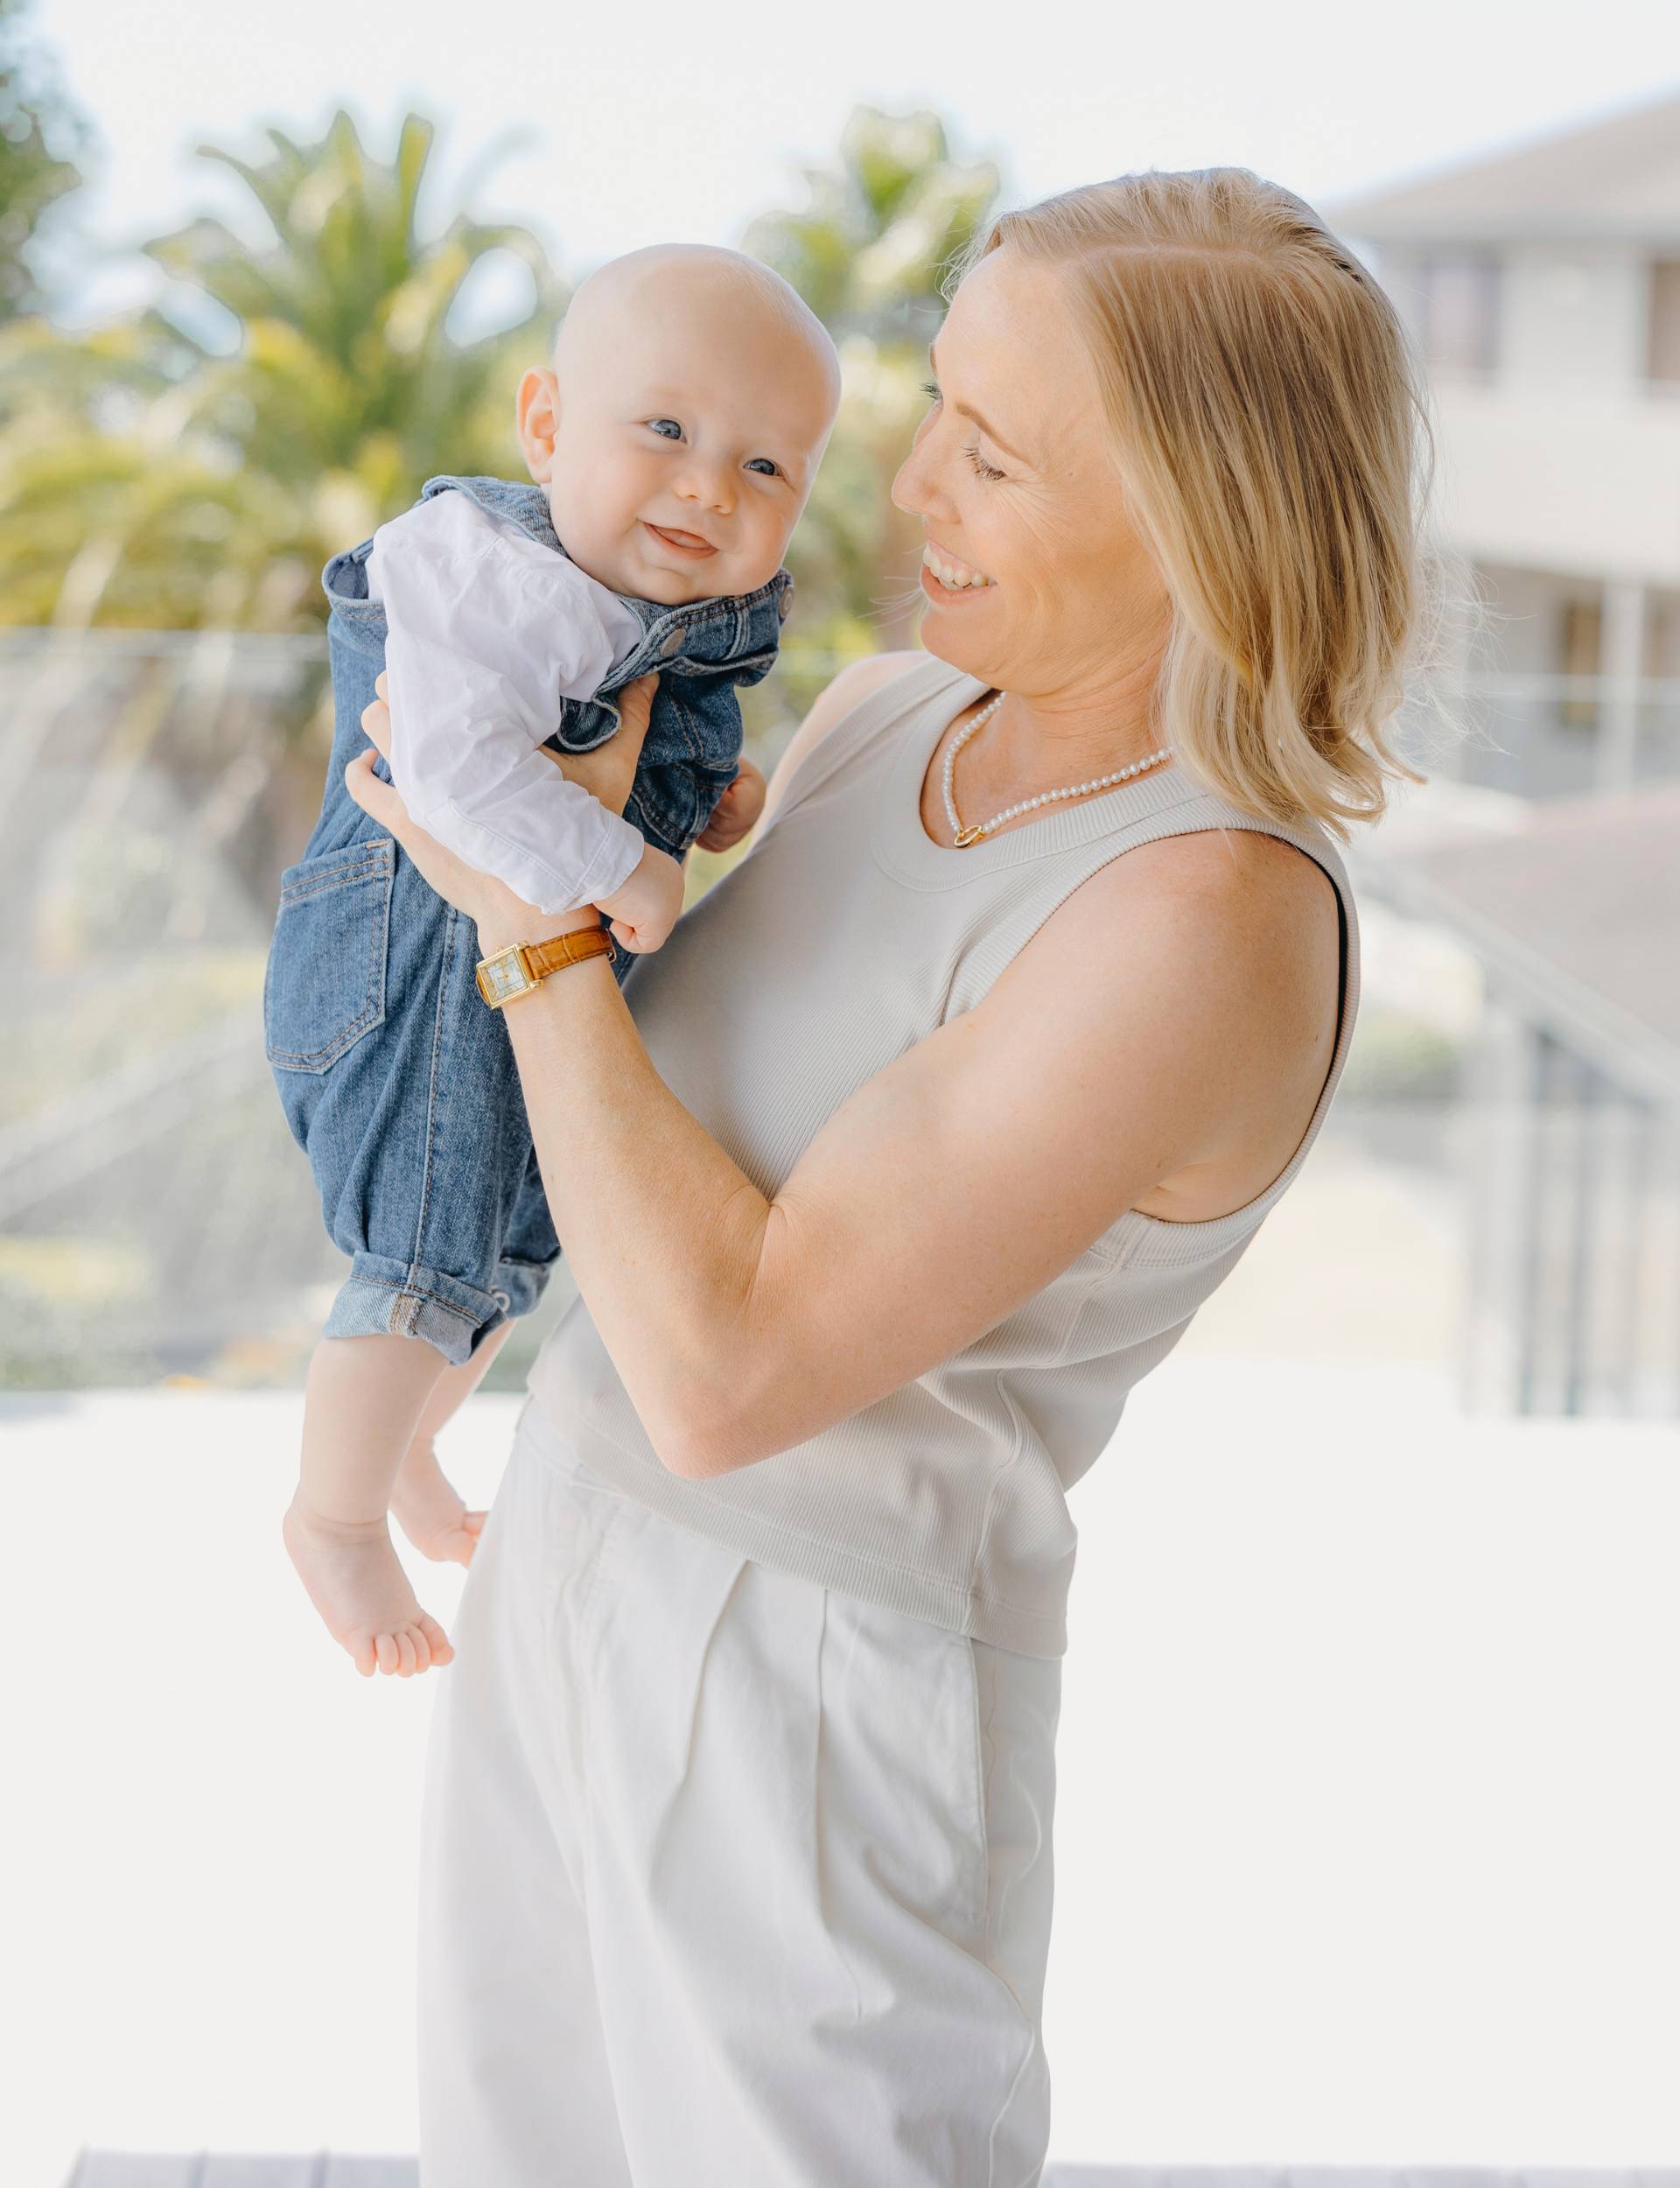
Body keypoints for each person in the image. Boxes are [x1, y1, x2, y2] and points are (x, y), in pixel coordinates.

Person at [346, 168, 1432, 2188]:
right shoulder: (882, 712)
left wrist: (531, 909)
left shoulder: (1205, 910)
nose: (910, 481)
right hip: (568, 1533)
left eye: (992, 454)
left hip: (817, 1680)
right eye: (937, 402)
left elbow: (731, 1370)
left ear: (1203, 525)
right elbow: (630, 1147)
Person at [263, 243, 840, 1676]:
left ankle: (406, 1457)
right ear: (544, 426)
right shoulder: (495, 569)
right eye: (667, 429)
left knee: (508, 1251)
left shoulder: (615, 594)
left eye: (767, 465)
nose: (711, 487)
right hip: (407, 967)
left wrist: (703, 798)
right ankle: (333, 1517)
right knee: (424, 1251)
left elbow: (611, 740)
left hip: (499, 962)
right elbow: (452, 769)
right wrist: (629, 866)